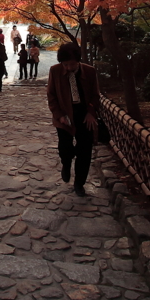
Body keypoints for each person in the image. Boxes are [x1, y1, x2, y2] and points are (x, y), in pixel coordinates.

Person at [46, 43, 100, 197]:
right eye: (65, 64)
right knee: (65, 149)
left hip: (84, 116)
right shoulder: (55, 71)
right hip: (64, 116)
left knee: (84, 151)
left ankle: (79, 183)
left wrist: (91, 111)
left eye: (71, 64)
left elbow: (96, 95)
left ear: (78, 60)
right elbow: (51, 95)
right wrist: (60, 115)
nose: (68, 67)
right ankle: (66, 163)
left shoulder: (89, 72)